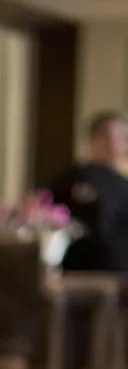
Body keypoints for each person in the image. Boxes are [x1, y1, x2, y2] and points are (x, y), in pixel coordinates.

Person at [52, 110, 128, 271]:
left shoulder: (123, 185)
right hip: (80, 273)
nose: (115, 144)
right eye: (107, 136)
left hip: (121, 276)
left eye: (122, 137)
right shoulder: (70, 179)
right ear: (93, 139)